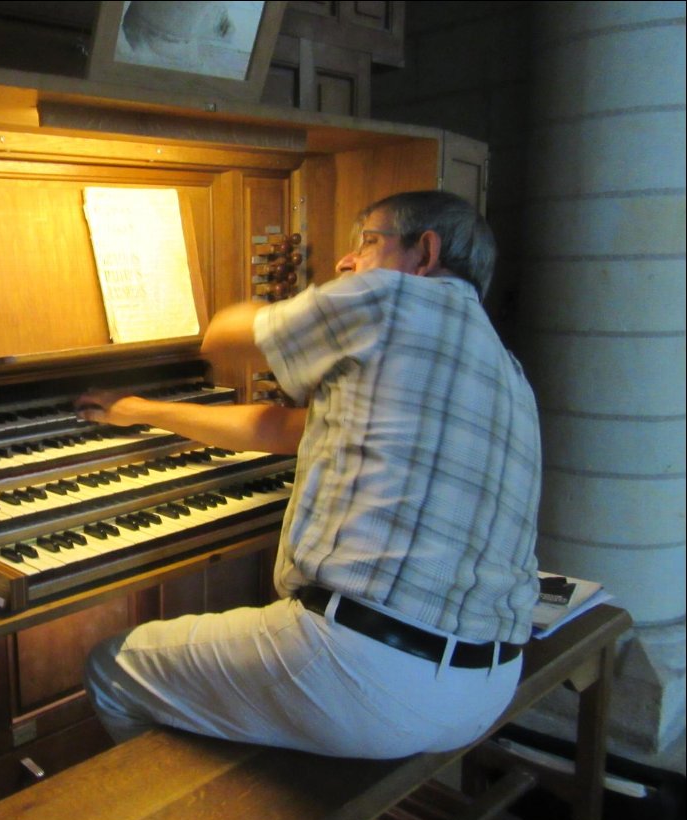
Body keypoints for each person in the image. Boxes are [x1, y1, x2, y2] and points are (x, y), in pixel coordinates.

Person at [75, 190, 542, 759]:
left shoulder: (390, 298)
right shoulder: (506, 367)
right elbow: (282, 429)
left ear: (425, 253)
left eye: (367, 242)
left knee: (110, 667)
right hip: (486, 687)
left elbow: (222, 340)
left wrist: (293, 304)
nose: (347, 262)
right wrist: (144, 410)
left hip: (369, 669)